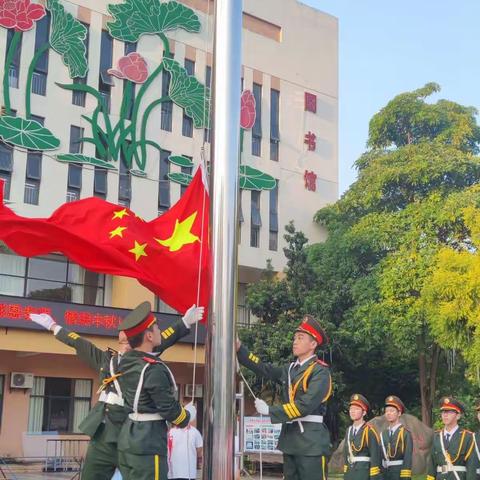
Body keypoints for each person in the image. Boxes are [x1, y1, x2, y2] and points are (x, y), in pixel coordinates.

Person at [29, 302, 203, 480]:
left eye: (129, 341)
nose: (126, 345)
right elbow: (80, 344)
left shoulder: (145, 362)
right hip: (105, 435)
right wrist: (54, 327)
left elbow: (160, 338)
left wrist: (184, 323)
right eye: (122, 342)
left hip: (132, 435)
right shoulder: (108, 362)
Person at [237, 314, 332, 480]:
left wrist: (270, 410)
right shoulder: (290, 369)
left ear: (313, 344)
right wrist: (240, 349)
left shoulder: (320, 372)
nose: (295, 341)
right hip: (291, 439)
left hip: (310, 442)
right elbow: (264, 368)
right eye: (294, 338)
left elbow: (305, 405)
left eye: (300, 338)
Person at [117, 301, 198, 480]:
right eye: (157, 328)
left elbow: (151, 349)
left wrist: (184, 323)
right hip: (148, 442)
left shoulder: (126, 361)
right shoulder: (152, 369)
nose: (160, 331)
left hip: (128, 438)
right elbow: (169, 409)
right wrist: (187, 416)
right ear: (149, 337)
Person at [427, 397, 476, 480]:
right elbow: (431, 465)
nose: (445, 415)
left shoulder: (468, 437)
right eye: (443, 412)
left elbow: (471, 467)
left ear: (458, 416)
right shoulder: (436, 437)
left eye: (449, 412)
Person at [343, 394, 382, 480]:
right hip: (350, 473)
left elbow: (375, 455)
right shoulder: (348, 431)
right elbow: (346, 454)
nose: (352, 411)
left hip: (363, 473)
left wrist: (374, 476)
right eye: (351, 409)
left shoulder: (369, 431)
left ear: (364, 412)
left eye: (356, 409)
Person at [380, 396, 413, 480]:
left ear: (399, 413)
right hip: (385, 474)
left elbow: (407, 458)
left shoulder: (405, 433)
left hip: (399, 473)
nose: (388, 413)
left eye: (392, 411)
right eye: (386, 411)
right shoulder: (383, 434)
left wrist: (405, 476)